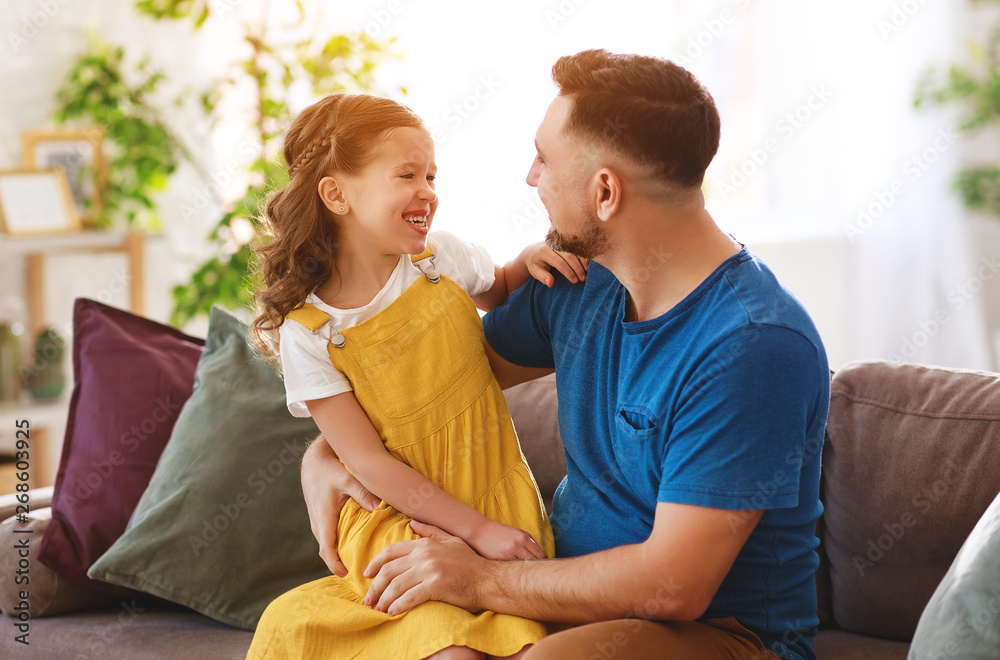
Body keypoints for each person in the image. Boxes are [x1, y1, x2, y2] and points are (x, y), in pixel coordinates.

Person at [293, 50, 831, 660]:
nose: (530, 177)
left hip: (718, 634)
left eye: (545, 160)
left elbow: (674, 586)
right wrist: (325, 454)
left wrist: (479, 579)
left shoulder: (752, 345)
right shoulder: (583, 283)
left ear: (605, 191)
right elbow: (434, 390)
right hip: (554, 597)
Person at [245, 92, 590, 660]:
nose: (428, 190)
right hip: (395, 516)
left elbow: (502, 285)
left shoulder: (441, 261)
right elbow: (368, 462)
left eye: (431, 174)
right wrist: (475, 533)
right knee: (452, 648)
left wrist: (531, 254)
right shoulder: (309, 332)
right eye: (406, 174)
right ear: (336, 194)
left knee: (508, 637)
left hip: (491, 488)